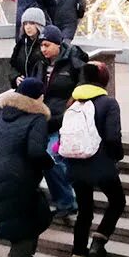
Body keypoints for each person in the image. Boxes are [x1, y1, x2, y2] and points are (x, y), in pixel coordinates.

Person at [0, 77, 53, 257]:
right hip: (21, 180)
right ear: (39, 97)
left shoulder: (0, 116)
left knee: (33, 218)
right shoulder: (37, 119)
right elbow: (35, 151)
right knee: (26, 227)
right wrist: (50, 164)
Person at [66, 62, 126, 257]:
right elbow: (112, 136)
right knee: (117, 201)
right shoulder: (108, 103)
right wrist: (116, 155)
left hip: (75, 163)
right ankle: (99, 242)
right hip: (100, 163)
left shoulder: (73, 101)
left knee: (84, 211)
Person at [38, 26, 85, 222]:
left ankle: (68, 200)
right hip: (43, 120)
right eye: (41, 45)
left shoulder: (73, 63)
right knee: (46, 160)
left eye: (47, 45)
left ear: (58, 44)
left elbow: (81, 90)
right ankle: (64, 201)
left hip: (64, 121)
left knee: (52, 159)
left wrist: (69, 111)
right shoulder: (40, 64)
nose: (43, 49)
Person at [10, 7, 47, 85]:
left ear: (39, 25)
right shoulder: (21, 44)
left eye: (32, 23)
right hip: (23, 87)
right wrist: (16, 77)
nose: (28, 27)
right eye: (25, 24)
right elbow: (13, 65)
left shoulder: (46, 44)